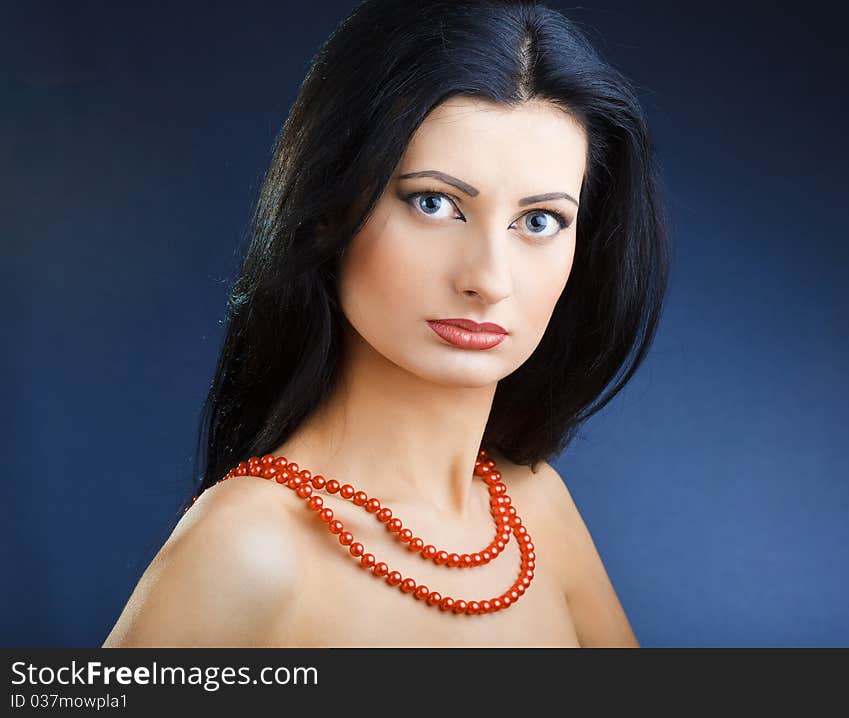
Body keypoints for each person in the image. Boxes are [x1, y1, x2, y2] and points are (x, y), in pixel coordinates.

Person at [103, 0, 669, 648]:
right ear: (329, 211)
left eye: (539, 221)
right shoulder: (249, 548)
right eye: (434, 203)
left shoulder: (534, 511)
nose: (489, 278)